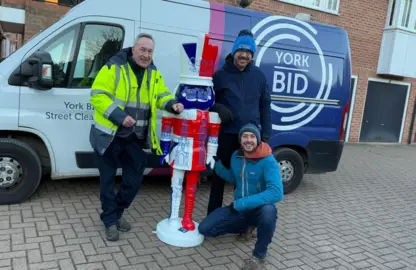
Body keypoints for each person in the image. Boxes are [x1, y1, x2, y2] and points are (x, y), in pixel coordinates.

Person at [89, 33, 184, 241]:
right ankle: (110, 221)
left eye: (150, 51)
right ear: (133, 49)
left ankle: (115, 212)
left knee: (133, 181)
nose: (146, 55)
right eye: (142, 50)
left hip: (135, 138)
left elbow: (161, 94)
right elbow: (97, 95)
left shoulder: (153, 73)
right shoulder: (114, 67)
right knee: (107, 181)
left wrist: (172, 104)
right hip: (109, 136)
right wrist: (120, 116)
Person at [199, 123, 283, 270]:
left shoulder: (268, 161)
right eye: (245, 136)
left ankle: (259, 256)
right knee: (205, 228)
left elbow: (276, 192)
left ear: (257, 139)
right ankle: (245, 228)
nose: (248, 140)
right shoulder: (236, 156)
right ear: (240, 139)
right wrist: (217, 166)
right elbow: (233, 178)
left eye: (252, 136)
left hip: (256, 209)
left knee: (269, 212)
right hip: (239, 210)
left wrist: (242, 203)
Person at [207, 29, 273, 216]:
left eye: (248, 52)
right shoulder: (220, 75)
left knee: (249, 179)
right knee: (219, 176)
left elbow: (265, 104)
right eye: (241, 51)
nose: (244, 55)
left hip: (250, 137)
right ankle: (213, 215)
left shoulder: (259, 75)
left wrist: (266, 132)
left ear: (252, 55)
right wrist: (218, 107)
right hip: (227, 135)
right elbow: (207, 101)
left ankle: (245, 218)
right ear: (234, 51)